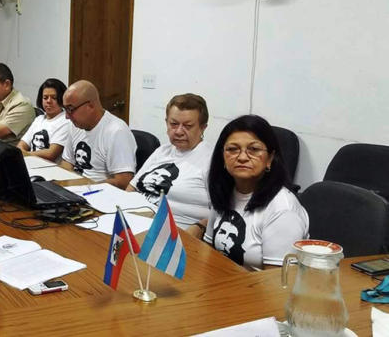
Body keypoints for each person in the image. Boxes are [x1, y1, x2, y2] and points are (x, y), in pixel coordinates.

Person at [203, 115, 309, 270]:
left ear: (270, 158)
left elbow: (276, 281)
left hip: (260, 285)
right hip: (221, 279)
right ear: (222, 157)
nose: (242, 157)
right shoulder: (224, 191)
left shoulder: (283, 209)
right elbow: (209, 254)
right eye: (232, 149)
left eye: (254, 149)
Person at [127, 93, 213, 233]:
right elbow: (132, 187)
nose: (178, 131)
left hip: (173, 234)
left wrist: (201, 227)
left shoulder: (211, 160)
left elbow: (224, 212)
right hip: (135, 223)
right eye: (173, 124)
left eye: (188, 126)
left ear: (203, 127)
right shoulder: (162, 151)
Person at [59, 80, 136, 189]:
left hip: (98, 192)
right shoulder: (75, 125)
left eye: (70, 109)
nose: (67, 116)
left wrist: (84, 186)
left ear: (90, 106)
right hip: (77, 189)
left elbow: (123, 181)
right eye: (65, 109)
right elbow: (67, 162)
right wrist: (65, 185)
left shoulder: (117, 131)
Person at [17, 79, 69, 162]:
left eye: (54, 98)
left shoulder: (66, 121)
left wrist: (25, 154)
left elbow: (51, 154)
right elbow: (21, 145)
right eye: (45, 98)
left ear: (62, 99)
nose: (48, 101)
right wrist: (23, 154)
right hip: (30, 162)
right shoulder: (39, 119)